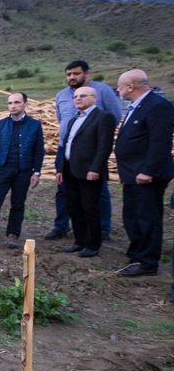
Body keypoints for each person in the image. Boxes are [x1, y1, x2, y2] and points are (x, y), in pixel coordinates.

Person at [46, 60, 121, 241]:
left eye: (76, 73)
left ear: (86, 74)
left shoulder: (102, 91)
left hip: (91, 152)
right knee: (64, 189)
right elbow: (62, 120)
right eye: (68, 74)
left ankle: (101, 229)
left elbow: (115, 116)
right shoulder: (61, 95)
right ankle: (61, 226)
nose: (72, 77)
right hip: (65, 148)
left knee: (97, 191)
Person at [112, 69, 174, 276]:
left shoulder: (157, 106)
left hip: (146, 176)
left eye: (120, 87)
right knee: (132, 215)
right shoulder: (138, 106)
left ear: (130, 87)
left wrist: (148, 171)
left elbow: (160, 142)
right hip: (132, 174)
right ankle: (137, 254)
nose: (118, 90)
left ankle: (147, 262)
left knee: (147, 217)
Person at [0, 92, 45, 249]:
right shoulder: (0, 125)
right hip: (2, 169)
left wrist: (37, 172)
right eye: (10, 103)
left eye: (17, 102)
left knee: (18, 204)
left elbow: (39, 150)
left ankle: (13, 235)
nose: (13, 106)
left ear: (25, 104)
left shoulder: (35, 125)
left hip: (24, 171)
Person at [57, 86, 115, 257]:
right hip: (70, 170)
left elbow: (104, 147)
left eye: (83, 96)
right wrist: (61, 168)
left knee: (90, 208)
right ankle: (79, 240)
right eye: (75, 96)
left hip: (89, 171)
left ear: (94, 98)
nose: (78, 99)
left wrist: (95, 168)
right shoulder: (73, 120)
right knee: (74, 207)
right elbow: (67, 145)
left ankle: (93, 244)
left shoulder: (103, 117)